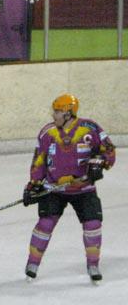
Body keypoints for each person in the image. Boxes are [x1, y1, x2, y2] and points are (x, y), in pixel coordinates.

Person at [22, 93, 116, 282]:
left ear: (68, 113)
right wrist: (33, 184)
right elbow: (39, 160)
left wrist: (100, 162)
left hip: (84, 189)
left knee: (93, 224)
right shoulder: (47, 132)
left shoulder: (90, 128)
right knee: (45, 224)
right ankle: (32, 263)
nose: (53, 115)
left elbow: (109, 150)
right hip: (53, 189)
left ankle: (93, 265)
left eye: (57, 111)